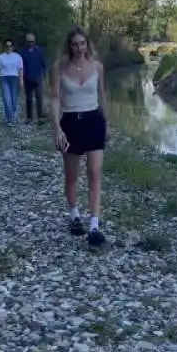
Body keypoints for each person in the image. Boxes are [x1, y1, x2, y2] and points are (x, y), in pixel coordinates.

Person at [51, 26, 108, 247]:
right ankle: (74, 214)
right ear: (69, 46)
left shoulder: (97, 67)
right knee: (72, 176)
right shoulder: (59, 68)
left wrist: (108, 123)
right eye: (75, 44)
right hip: (70, 122)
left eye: (82, 44)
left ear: (87, 45)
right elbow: (55, 98)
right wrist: (57, 127)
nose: (79, 48)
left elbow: (102, 95)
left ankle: (94, 225)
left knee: (95, 172)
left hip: (94, 120)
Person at [0, 39, 24, 125]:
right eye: (7, 46)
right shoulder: (0, 57)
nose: (8, 48)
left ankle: (14, 113)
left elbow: (20, 69)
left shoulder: (18, 56)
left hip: (15, 78)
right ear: (4, 47)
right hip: (4, 78)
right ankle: (9, 119)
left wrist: (21, 80)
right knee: (7, 99)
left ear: (13, 47)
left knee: (14, 99)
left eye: (10, 46)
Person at [20, 33, 46, 125]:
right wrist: (21, 79)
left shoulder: (39, 52)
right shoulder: (22, 53)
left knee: (39, 97)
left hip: (37, 78)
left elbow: (43, 65)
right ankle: (29, 117)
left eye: (33, 41)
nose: (31, 43)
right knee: (29, 99)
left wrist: (44, 77)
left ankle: (40, 117)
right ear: (26, 41)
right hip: (27, 79)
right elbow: (21, 67)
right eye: (29, 41)